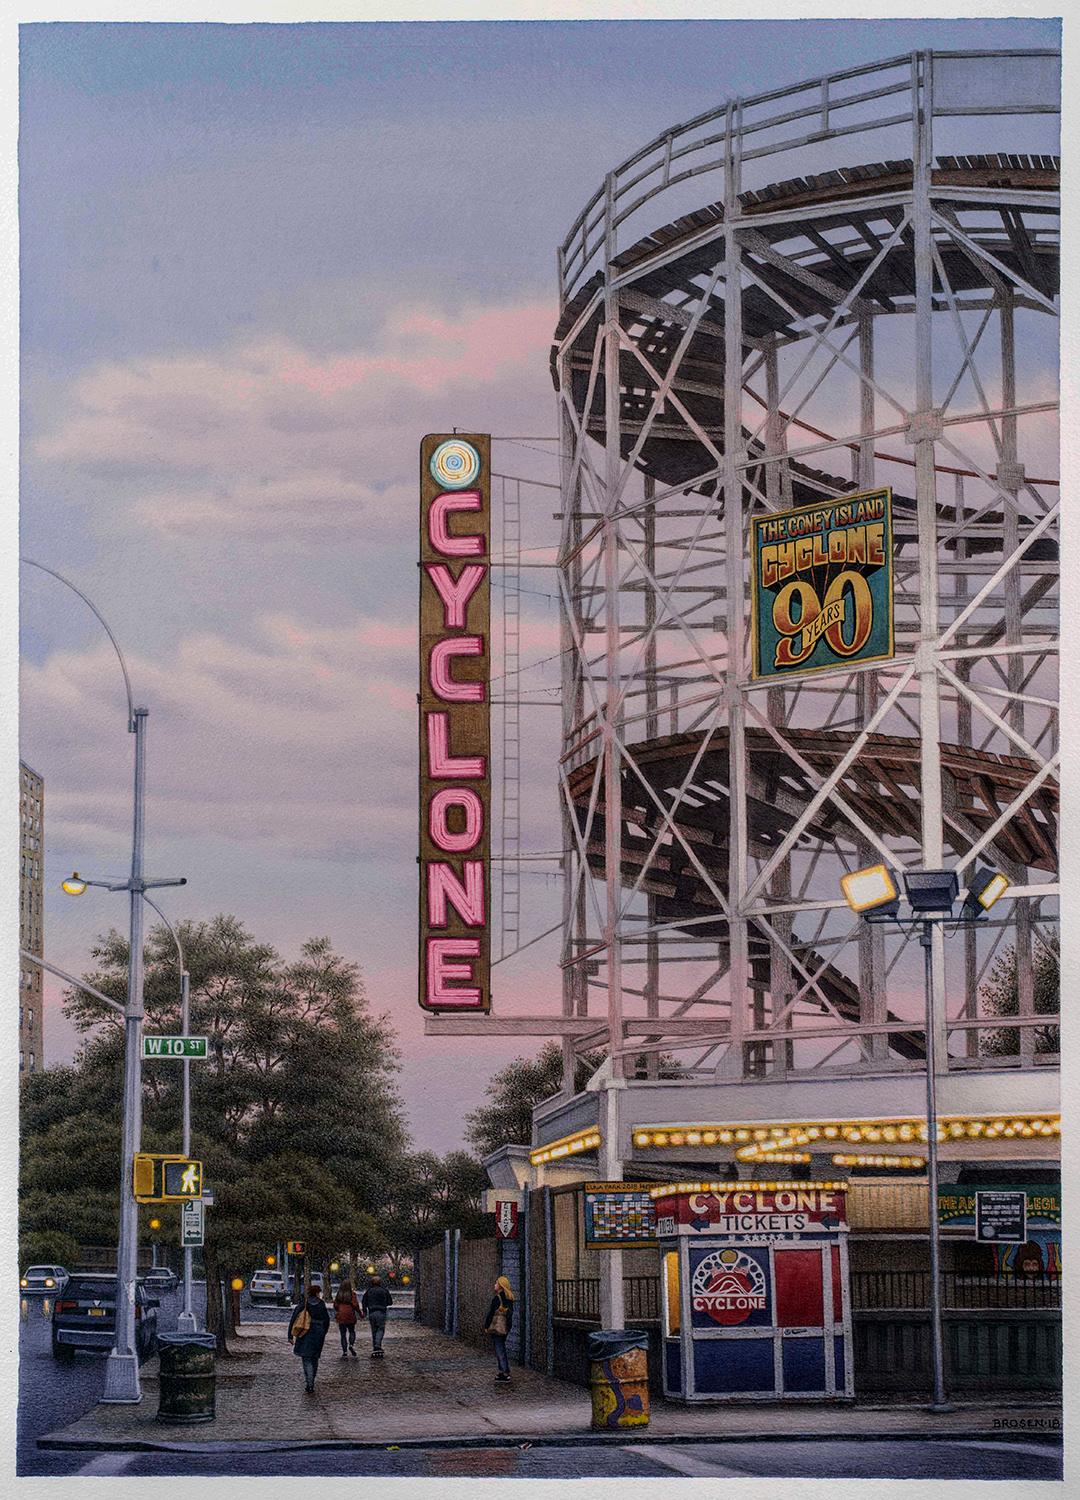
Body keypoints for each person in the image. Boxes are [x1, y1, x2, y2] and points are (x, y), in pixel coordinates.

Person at [287, 1282, 330, 1393]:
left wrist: (290, 1335)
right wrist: (323, 1332)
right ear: (317, 1293)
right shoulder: (321, 1304)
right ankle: (312, 1380)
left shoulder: (304, 1304)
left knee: (306, 1359)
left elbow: (294, 1318)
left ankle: (309, 1383)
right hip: (318, 1333)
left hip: (304, 1332)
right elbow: (327, 1320)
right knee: (314, 1358)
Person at [483, 1275, 515, 1382]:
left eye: (496, 1283)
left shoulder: (497, 1299)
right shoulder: (509, 1299)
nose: (494, 1285)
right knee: (501, 1348)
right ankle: (502, 1372)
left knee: (499, 1349)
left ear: (501, 1286)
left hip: (497, 1329)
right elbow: (510, 1315)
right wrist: (508, 1327)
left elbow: (491, 1314)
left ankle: (505, 1373)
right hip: (504, 1328)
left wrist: (486, 1326)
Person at [361, 1275, 393, 1358]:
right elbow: (390, 1302)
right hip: (381, 1312)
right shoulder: (384, 1291)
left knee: (374, 1330)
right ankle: (378, 1345)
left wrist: (364, 1312)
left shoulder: (369, 1291)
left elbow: (364, 1302)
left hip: (371, 1312)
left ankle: (375, 1346)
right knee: (380, 1329)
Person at [334, 1278, 361, 1357]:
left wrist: (339, 1310)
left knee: (343, 1334)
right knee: (352, 1331)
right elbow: (355, 1305)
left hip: (341, 1315)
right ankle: (351, 1345)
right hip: (350, 1315)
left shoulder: (339, 1294)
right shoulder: (352, 1294)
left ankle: (345, 1352)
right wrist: (360, 1313)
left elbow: (335, 1305)